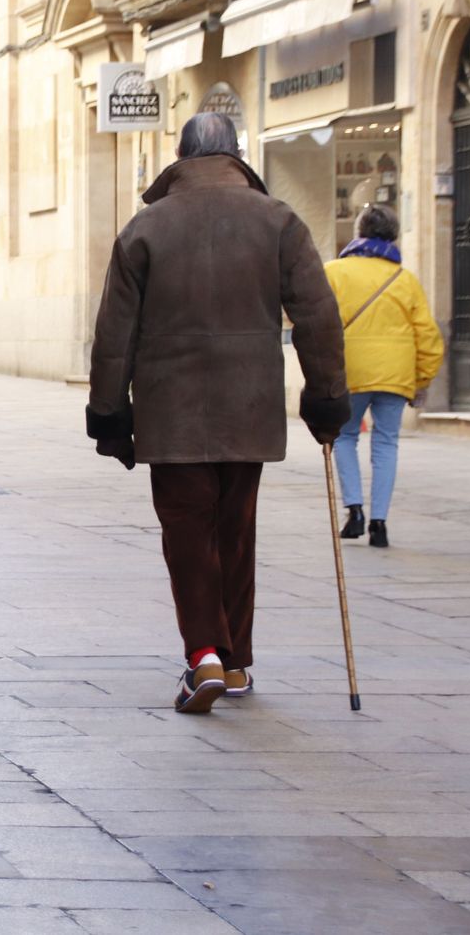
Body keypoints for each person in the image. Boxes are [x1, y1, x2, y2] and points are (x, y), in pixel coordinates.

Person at [86, 112, 348, 714]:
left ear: (180, 158)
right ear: (235, 156)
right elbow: (318, 315)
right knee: (234, 530)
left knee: (187, 534)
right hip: (248, 407)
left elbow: (113, 334)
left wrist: (109, 412)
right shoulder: (278, 220)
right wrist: (326, 396)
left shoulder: (144, 228)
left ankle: (204, 652)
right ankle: (233, 664)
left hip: (170, 409)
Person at [324, 204, 444, 549]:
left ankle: (354, 510)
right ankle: (380, 522)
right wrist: (423, 378)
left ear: (359, 232)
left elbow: (316, 319)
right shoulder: (405, 279)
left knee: (345, 437)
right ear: (392, 234)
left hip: (350, 371)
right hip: (396, 373)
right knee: (387, 443)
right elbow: (427, 334)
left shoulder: (333, 272)